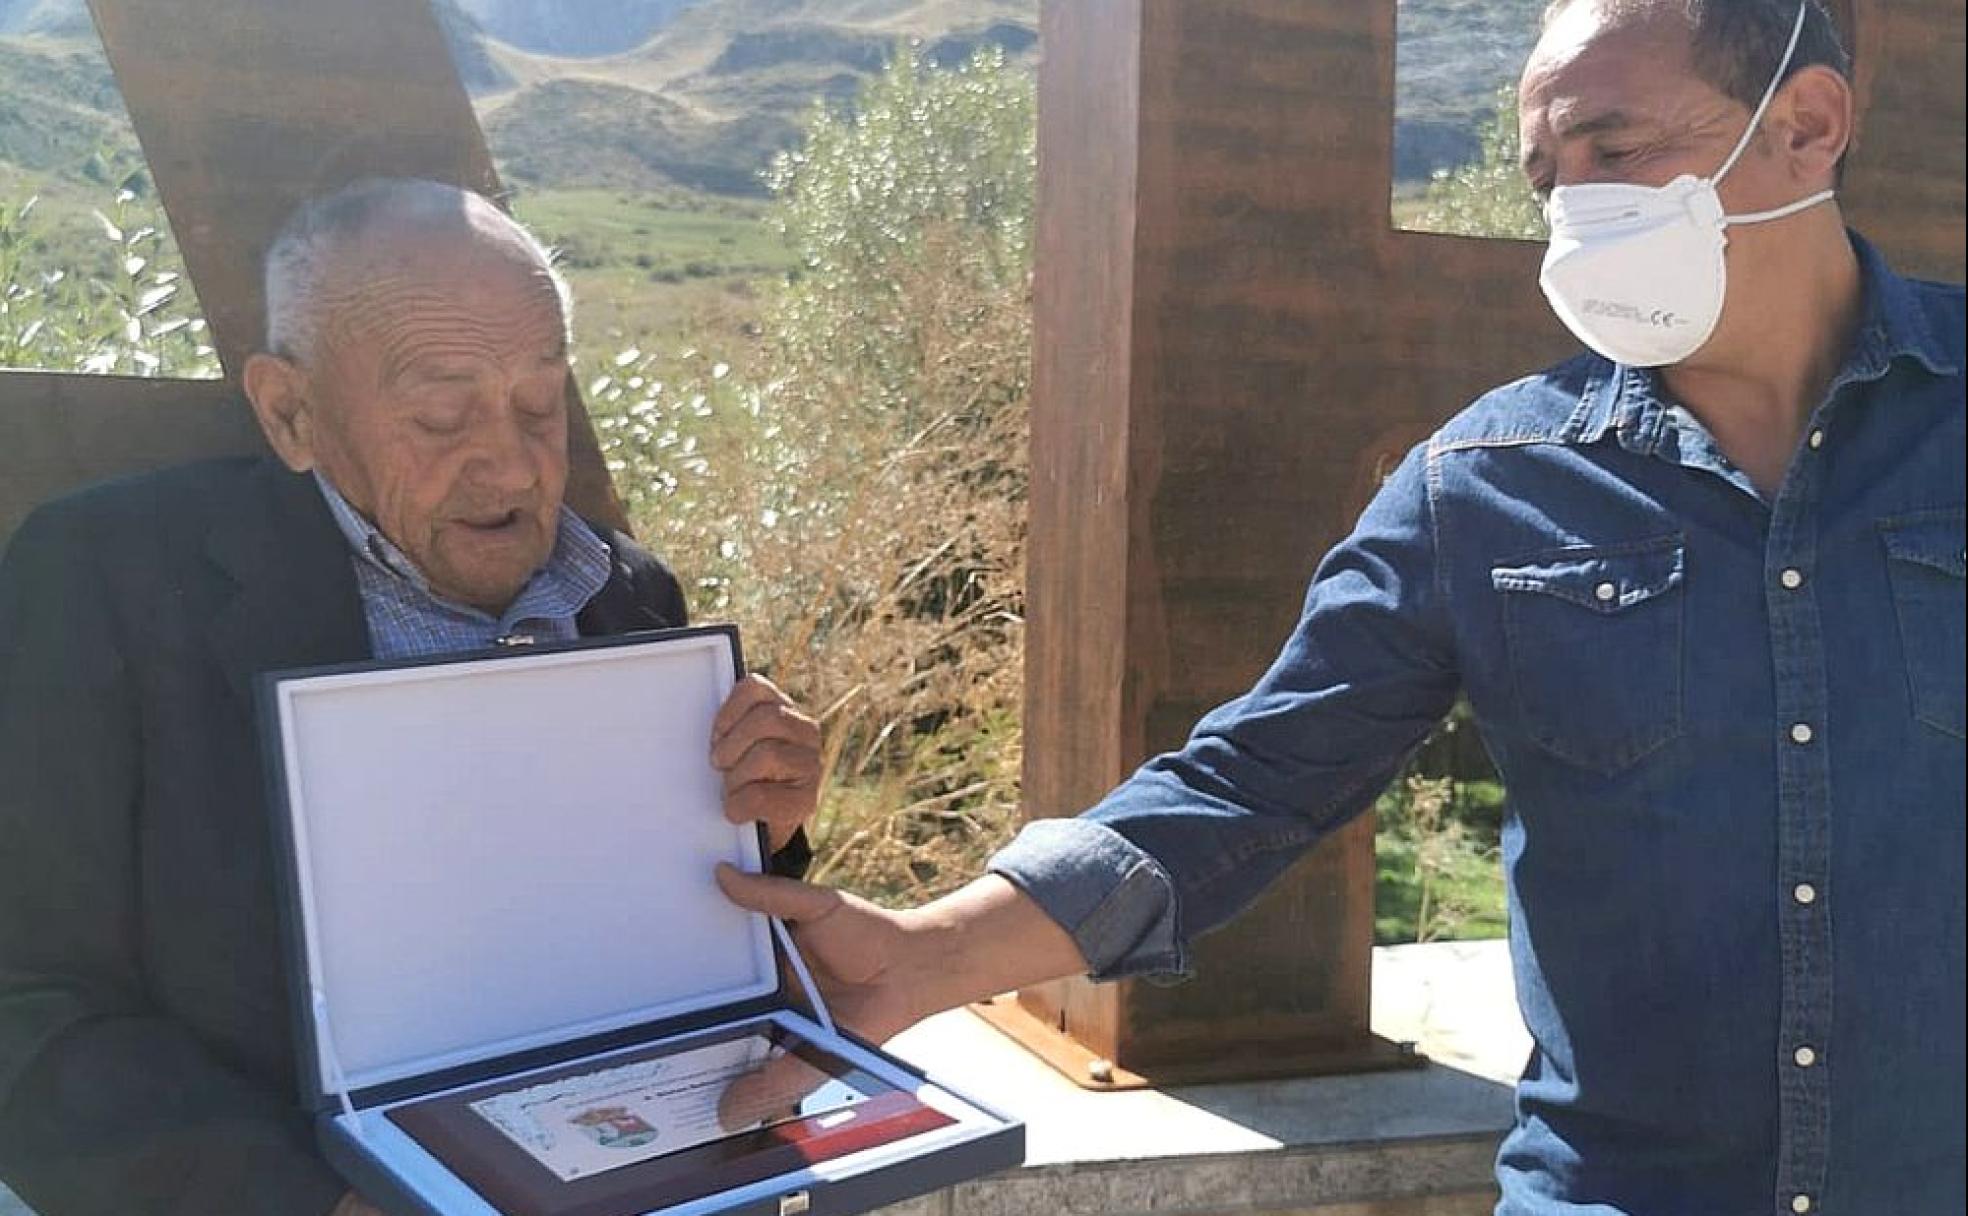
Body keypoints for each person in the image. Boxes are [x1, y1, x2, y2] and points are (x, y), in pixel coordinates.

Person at [719, 2, 1966, 1212]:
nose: (1578, 209)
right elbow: (1248, 786)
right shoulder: (1482, 486)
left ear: (1808, 122)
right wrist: (931, 953)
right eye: (1547, 178)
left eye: (1617, 150)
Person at [0, 179, 823, 1216]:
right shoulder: (104, 583)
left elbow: (679, 944)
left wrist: (770, 831)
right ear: (290, 413)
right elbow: (27, 1002)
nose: (513, 462)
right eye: (440, 415)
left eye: (540, 402)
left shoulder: (629, 595)